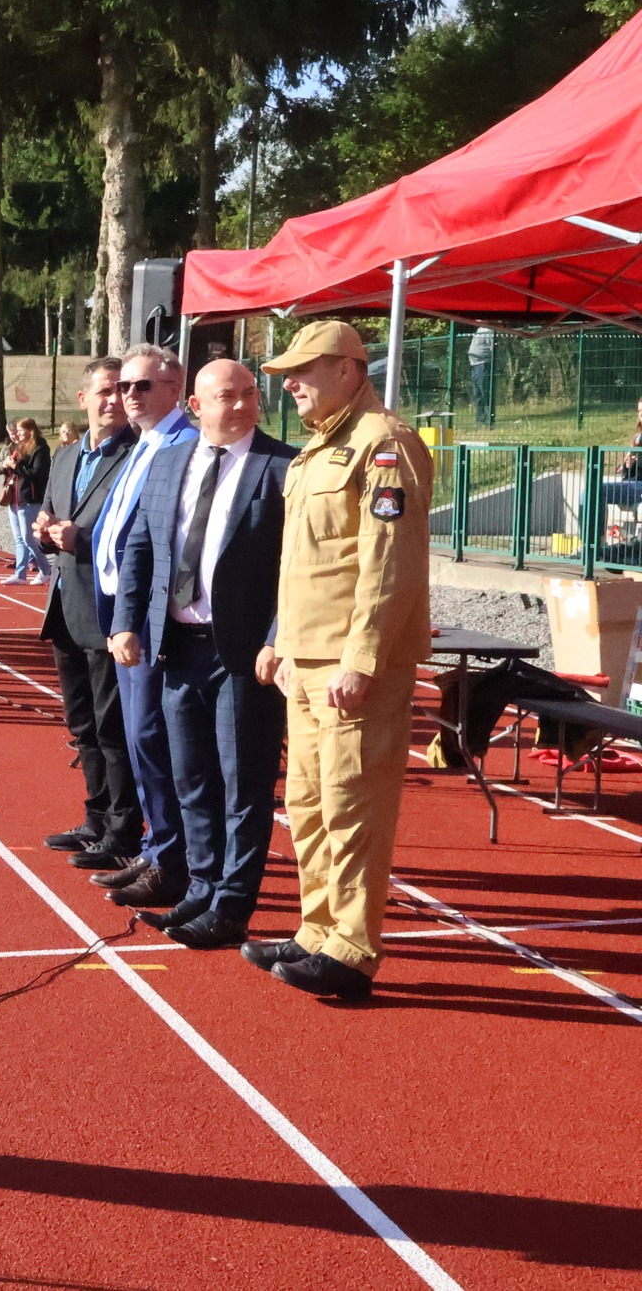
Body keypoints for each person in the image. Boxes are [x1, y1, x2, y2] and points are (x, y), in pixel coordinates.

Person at [259, 320, 432, 1000]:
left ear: (349, 370)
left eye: (303, 370)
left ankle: (352, 948)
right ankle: (318, 928)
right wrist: (280, 640)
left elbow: (390, 565)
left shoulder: (383, 445)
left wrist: (361, 657)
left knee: (351, 804)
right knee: (307, 803)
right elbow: (303, 563)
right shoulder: (318, 450)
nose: (291, 384)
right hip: (305, 659)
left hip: (351, 668)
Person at [109, 361, 296, 949]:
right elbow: (141, 545)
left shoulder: (283, 467)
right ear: (195, 404)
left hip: (243, 654)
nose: (240, 406)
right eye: (226, 396)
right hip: (178, 647)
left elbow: (297, 571)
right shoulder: (169, 461)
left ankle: (232, 904)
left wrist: (275, 637)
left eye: (249, 395)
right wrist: (126, 623)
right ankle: (199, 888)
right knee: (190, 778)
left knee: (243, 785)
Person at [83, 343, 197, 906]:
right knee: (137, 739)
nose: (129, 395)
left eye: (142, 386)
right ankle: (156, 850)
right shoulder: (143, 444)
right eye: (124, 386)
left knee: (154, 740)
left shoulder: (185, 444)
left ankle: (171, 858)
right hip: (121, 616)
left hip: (156, 622)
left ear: (174, 388)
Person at [35, 359, 141, 861]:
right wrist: (44, 529)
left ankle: (123, 832)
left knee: (112, 726)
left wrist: (84, 538)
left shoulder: (137, 456)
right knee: (82, 725)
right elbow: (55, 513)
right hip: (65, 604)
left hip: (107, 611)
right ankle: (95, 818)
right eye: (103, 391)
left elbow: (139, 536)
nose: (113, 400)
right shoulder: (65, 457)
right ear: (83, 400)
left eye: (121, 390)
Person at [0, 418, 53, 586]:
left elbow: (38, 474)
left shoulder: (40, 448)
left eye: (21, 431)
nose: (18, 435)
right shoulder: (20, 447)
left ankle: (46, 570)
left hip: (30, 498)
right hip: (15, 498)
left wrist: (16, 466)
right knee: (19, 539)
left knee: (29, 538)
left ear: (31, 430)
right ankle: (20, 574)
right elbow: (11, 469)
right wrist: (5, 465)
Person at [468, 325, 496, 427]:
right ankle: (480, 418)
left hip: (483, 364)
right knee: (477, 394)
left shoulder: (488, 330)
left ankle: (489, 418)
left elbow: (492, 347)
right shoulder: (479, 329)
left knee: (485, 392)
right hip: (474, 365)